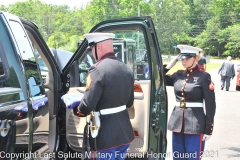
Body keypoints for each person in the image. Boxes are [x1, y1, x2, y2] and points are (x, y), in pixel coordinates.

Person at [73, 32, 134, 160]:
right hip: (124, 133)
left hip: (104, 136)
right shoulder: (126, 68)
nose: (92, 53)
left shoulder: (97, 69)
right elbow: (129, 103)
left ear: (98, 47)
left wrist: (78, 110)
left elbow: (87, 106)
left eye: (92, 49)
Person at [164, 44, 216, 160]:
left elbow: (210, 104)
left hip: (195, 124)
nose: (184, 61)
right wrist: (169, 65)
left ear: (196, 58)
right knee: (178, 158)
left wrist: (209, 128)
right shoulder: (178, 74)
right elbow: (158, 77)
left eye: (187, 58)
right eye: (182, 58)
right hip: (177, 123)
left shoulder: (204, 77)